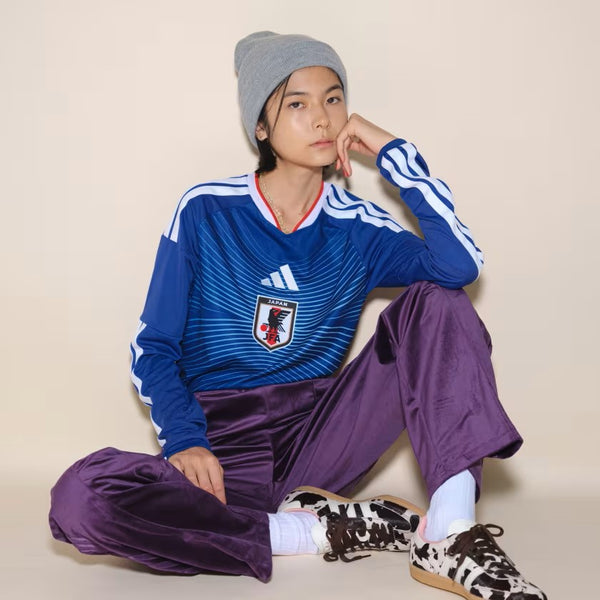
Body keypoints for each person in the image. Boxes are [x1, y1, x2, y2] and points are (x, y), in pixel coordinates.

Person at [49, 31, 547, 599]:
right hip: (219, 445)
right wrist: (186, 439)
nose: (321, 118)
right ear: (260, 127)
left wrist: (393, 153)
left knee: (440, 300)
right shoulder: (206, 210)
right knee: (82, 497)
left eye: (333, 99)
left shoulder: (357, 227)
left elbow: (458, 265)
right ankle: (312, 531)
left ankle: (451, 533)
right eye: (297, 103)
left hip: (321, 435)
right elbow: (154, 346)